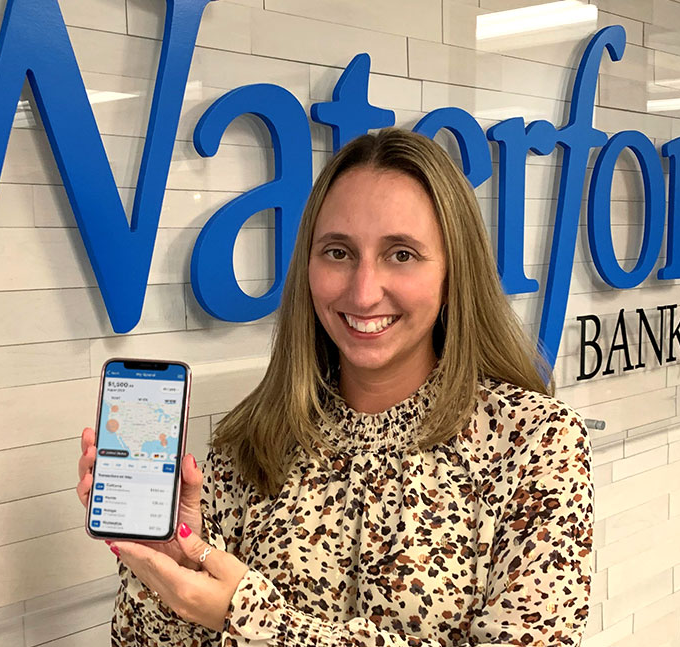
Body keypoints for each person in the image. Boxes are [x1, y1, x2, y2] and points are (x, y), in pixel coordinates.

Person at [76, 127, 594, 646]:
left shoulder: (536, 441)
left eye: (401, 254)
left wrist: (252, 617)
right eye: (339, 253)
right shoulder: (251, 446)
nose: (363, 293)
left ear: (454, 271)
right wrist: (168, 569)